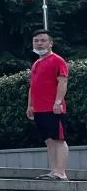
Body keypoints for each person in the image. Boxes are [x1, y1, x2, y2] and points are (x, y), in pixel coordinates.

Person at [27, 29, 70, 181]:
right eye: (36, 41)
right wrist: (30, 105)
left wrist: (58, 102)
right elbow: (33, 86)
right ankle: (53, 171)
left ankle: (61, 172)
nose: (39, 43)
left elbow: (62, 82)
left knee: (58, 139)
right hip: (39, 109)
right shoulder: (36, 63)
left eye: (43, 40)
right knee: (49, 141)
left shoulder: (58, 60)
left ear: (51, 43)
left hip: (54, 108)